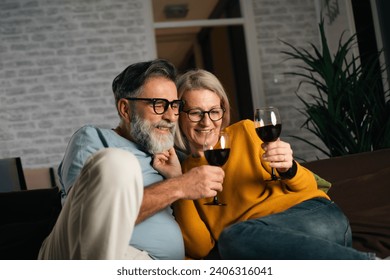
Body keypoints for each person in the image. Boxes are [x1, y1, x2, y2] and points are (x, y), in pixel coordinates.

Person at [170, 69, 377, 260]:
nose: (207, 122)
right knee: (233, 241)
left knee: (233, 238)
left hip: (316, 219)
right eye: (196, 113)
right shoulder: (187, 173)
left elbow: (309, 188)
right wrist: (177, 182)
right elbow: (200, 248)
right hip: (267, 245)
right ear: (179, 115)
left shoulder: (247, 131)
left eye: (214, 111)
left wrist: (290, 168)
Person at [38, 59, 225, 260]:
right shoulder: (94, 139)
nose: (171, 116)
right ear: (126, 110)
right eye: (159, 105)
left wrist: (177, 177)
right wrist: (178, 186)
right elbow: (86, 222)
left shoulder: (173, 159)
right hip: (86, 257)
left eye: (175, 105)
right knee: (118, 162)